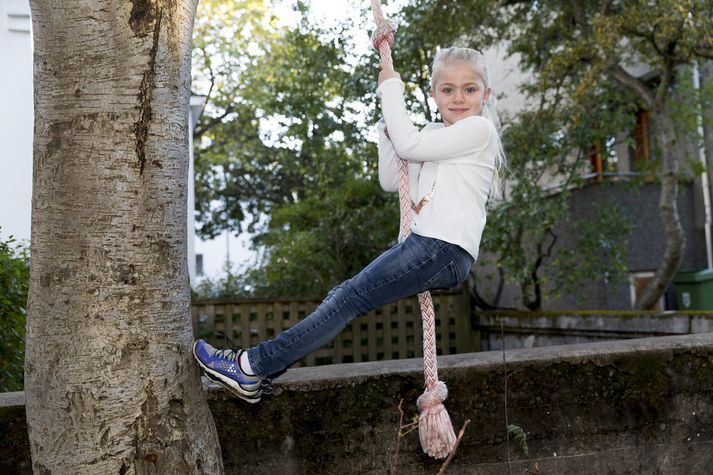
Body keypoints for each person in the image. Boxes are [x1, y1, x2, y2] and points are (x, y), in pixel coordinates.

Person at [192, 46, 507, 403]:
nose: (458, 98)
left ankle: (251, 366)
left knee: (347, 298)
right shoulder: (436, 134)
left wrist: (390, 89)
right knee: (342, 297)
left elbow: (410, 144)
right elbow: (393, 178)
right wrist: (385, 131)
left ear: (486, 94)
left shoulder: (478, 130)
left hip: (443, 247)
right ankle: (256, 369)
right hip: (432, 247)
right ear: (434, 93)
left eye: (470, 89)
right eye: (447, 89)